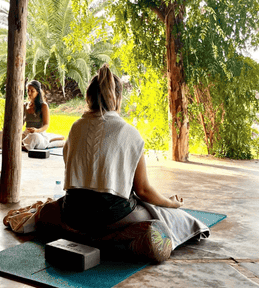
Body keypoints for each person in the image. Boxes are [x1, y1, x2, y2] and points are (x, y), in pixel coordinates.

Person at [56, 64, 209, 262]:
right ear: (118, 99)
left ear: (88, 98)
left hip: (73, 215)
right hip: (111, 218)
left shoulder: (75, 128)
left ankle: (84, 237)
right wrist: (170, 202)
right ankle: (112, 241)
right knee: (161, 214)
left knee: (51, 210)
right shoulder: (129, 133)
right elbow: (143, 190)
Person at [0, 80, 63, 150]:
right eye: (28, 90)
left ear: (37, 92)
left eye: (32, 91)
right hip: (25, 134)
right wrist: (9, 129)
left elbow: (46, 125)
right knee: (0, 133)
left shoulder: (43, 106)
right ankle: (8, 146)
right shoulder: (25, 105)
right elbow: (20, 123)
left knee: (33, 137)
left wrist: (36, 130)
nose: (29, 93)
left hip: (38, 134)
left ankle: (17, 146)